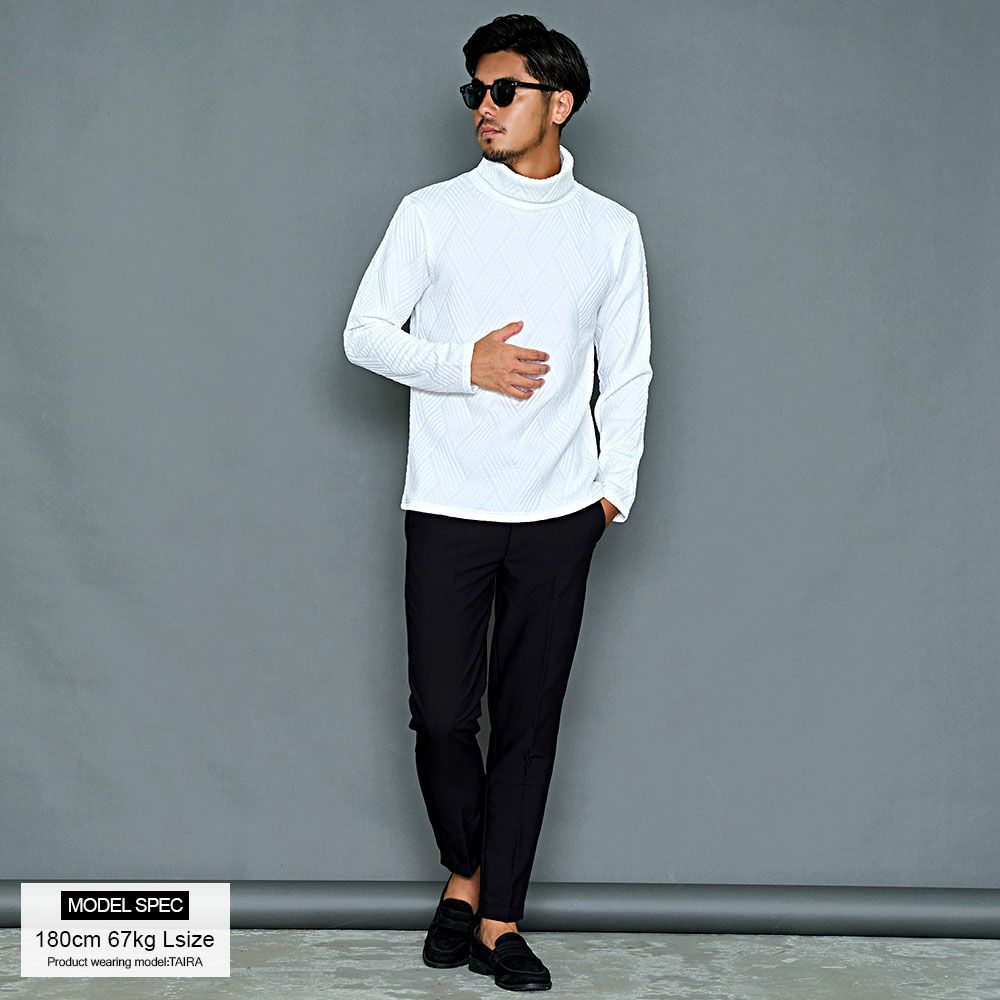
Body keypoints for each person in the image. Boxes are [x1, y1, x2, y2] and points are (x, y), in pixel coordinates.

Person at [342, 13, 652, 992]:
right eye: (474, 91)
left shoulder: (610, 229)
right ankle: (466, 874)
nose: (484, 105)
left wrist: (612, 492)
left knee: (527, 721)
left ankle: (495, 920)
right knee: (442, 716)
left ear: (559, 104)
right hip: (449, 504)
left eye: (503, 90)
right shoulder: (430, 213)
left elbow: (628, 370)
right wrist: (461, 364)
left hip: (561, 513)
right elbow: (363, 334)